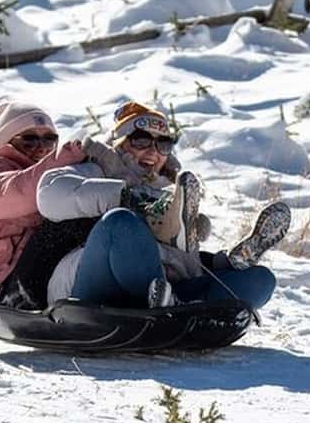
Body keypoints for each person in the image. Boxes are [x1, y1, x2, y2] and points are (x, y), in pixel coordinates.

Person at [36, 100, 291, 312]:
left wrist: (216, 264)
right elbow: (48, 194)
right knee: (121, 222)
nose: (152, 151)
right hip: (85, 284)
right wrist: (128, 198)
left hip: (160, 290)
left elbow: (181, 264)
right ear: (119, 142)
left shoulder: (167, 193)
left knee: (260, 280)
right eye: (141, 140)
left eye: (163, 144)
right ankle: (170, 304)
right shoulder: (96, 169)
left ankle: (195, 294)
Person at [0, 99, 87, 307]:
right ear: (8, 142)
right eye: (29, 140)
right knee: (65, 222)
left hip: (45, 272)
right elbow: (21, 191)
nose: (41, 148)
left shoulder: (50, 171)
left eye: (49, 140)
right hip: (8, 287)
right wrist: (67, 158)